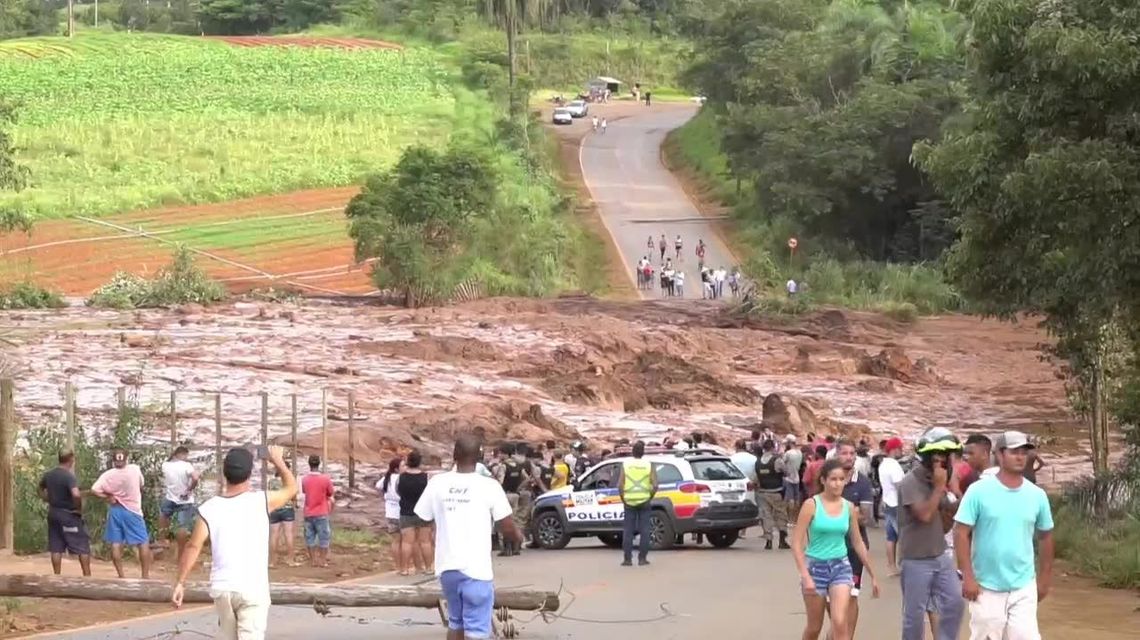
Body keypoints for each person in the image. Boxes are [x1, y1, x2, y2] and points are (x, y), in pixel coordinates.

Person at [171, 445, 298, 639]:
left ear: (224, 473)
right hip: (252, 589)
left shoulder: (209, 508)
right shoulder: (261, 501)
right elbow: (291, 488)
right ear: (249, 474)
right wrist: (278, 461)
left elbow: (193, 546)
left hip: (223, 589)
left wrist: (180, 582)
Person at [413, 434, 522, 640]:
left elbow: (423, 516)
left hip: (447, 569)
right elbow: (507, 526)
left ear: (454, 455)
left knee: (456, 622)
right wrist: (517, 536)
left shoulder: (438, 483)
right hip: (476, 571)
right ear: (479, 457)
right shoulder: (489, 486)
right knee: (477, 631)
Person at [955, 431, 1054, 640]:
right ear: (999, 455)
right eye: (1014, 452)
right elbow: (961, 533)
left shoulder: (1037, 496)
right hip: (986, 586)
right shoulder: (978, 491)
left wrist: (1044, 580)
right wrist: (968, 578)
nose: (1020, 457)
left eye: (1023, 452)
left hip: (1023, 585)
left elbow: (1046, 536)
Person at [791, 459, 879, 640]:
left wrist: (873, 574)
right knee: (814, 627)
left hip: (841, 567)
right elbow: (797, 543)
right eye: (833, 479)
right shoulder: (811, 505)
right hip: (815, 568)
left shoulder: (848, 507)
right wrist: (805, 576)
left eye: (841, 479)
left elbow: (857, 541)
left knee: (840, 623)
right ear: (823, 480)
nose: (838, 483)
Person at [897, 428, 965, 640]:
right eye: (938, 460)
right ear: (927, 459)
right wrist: (938, 487)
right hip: (916, 559)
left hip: (940, 555)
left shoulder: (939, 483)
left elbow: (948, 519)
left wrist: (956, 493)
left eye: (946, 460)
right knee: (914, 616)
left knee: (955, 603)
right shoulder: (910, 482)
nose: (943, 465)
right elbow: (925, 515)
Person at [835, 440, 876, 638]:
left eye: (852, 453)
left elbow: (866, 517)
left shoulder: (863, 482)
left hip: (853, 547)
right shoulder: (828, 478)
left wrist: (837, 513)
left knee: (852, 595)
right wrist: (852, 511)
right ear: (837, 454)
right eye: (845, 453)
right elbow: (817, 510)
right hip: (829, 548)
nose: (849, 457)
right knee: (831, 598)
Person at [92, 449, 152, 578]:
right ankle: (145, 576)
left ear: (113, 461)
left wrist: (107, 497)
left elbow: (94, 489)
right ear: (126, 459)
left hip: (115, 509)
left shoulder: (108, 475)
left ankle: (121, 575)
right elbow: (142, 484)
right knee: (142, 541)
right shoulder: (135, 469)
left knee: (116, 542)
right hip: (133, 510)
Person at [39, 450, 91, 576]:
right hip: (68, 514)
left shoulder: (49, 474)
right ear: (71, 459)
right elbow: (76, 494)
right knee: (82, 546)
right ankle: (87, 577)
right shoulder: (68, 476)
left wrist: (46, 498)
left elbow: (40, 488)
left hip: (53, 513)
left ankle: (57, 576)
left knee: (56, 546)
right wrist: (78, 509)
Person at [617, 441, 658, 566]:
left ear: (632, 451)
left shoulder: (626, 464)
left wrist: (623, 498)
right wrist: (649, 496)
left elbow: (620, 485)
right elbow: (655, 485)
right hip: (645, 500)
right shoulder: (649, 465)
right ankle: (642, 559)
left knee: (628, 531)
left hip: (629, 500)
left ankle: (627, 559)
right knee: (645, 530)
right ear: (643, 452)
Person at [159, 446, 199, 564]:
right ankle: (180, 555)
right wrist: (189, 489)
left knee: (163, 514)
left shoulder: (165, 465)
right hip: (185, 499)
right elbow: (195, 478)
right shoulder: (186, 466)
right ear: (184, 454)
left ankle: (163, 540)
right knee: (182, 527)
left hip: (170, 497)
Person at [397, 449, 433, 575]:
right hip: (424, 512)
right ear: (419, 462)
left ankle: (405, 569)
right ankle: (428, 568)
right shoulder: (426, 477)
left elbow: (398, 492)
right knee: (425, 541)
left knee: (407, 542)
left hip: (406, 511)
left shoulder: (401, 478)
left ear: (408, 462)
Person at [495, 443, 532, 557]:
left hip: (505, 495)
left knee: (503, 522)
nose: (500, 455)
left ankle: (506, 549)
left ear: (505, 454)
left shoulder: (503, 466)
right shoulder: (518, 465)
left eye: (501, 453)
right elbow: (527, 479)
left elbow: (500, 481)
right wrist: (518, 488)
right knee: (514, 521)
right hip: (515, 495)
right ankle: (516, 547)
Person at [755, 439, 790, 550]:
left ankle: (768, 541)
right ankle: (782, 541)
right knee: (781, 515)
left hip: (763, 492)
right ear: (773, 447)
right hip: (776, 492)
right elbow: (786, 472)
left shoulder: (758, 461)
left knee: (767, 516)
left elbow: (756, 478)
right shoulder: (777, 460)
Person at [301, 455, 335, 568]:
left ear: (309, 464)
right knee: (324, 537)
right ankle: (323, 560)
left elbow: (305, 492)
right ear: (319, 464)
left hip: (308, 511)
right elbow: (330, 493)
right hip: (321, 512)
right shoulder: (325, 479)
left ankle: (313, 561)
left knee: (309, 537)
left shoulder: (304, 479)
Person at [878, 436, 906, 574]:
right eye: (900, 448)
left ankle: (891, 566)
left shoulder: (883, 464)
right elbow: (899, 486)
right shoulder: (894, 465)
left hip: (887, 501)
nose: (902, 451)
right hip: (897, 504)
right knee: (904, 536)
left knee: (891, 537)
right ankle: (905, 565)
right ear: (894, 450)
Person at [376, 457, 403, 573]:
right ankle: (404, 565)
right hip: (401, 512)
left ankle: (398, 566)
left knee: (396, 541)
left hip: (390, 513)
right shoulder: (401, 478)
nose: (405, 468)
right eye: (403, 466)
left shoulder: (386, 478)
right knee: (405, 542)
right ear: (397, 469)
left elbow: (378, 486)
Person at [268, 462, 297, 568]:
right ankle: (290, 560)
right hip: (287, 509)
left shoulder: (271, 481)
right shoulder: (289, 482)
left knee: (274, 535)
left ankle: (272, 561)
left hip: (275, 509)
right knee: (288, 534)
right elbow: (293, 496)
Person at [781, 436, 804, 527]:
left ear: (789, 443)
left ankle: (790, 520)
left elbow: (782, 463)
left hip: (788, 477)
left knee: (789, 499)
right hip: (797, 477)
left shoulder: (788, 453)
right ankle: (795, 519)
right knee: (796, 499)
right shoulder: (799, 453)